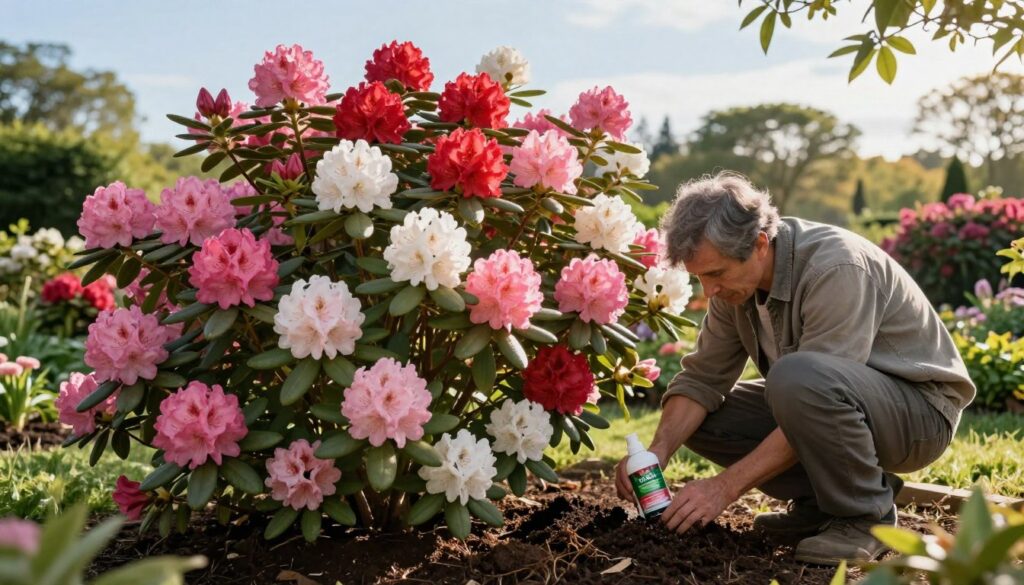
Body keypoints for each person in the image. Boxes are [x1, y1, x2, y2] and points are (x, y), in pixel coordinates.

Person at [615, 172, 975, 566]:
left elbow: (815, 390)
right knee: (704, 419)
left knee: (796, 378)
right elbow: (702, 379)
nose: (709, 291)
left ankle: (864, 516)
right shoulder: (735, 290)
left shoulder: (835, 268)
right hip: (837, 403)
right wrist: (655, 455)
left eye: (715, 274)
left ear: (758, 244)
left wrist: (724, 488)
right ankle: (820, 506)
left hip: (919, 415)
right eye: (700, 277)